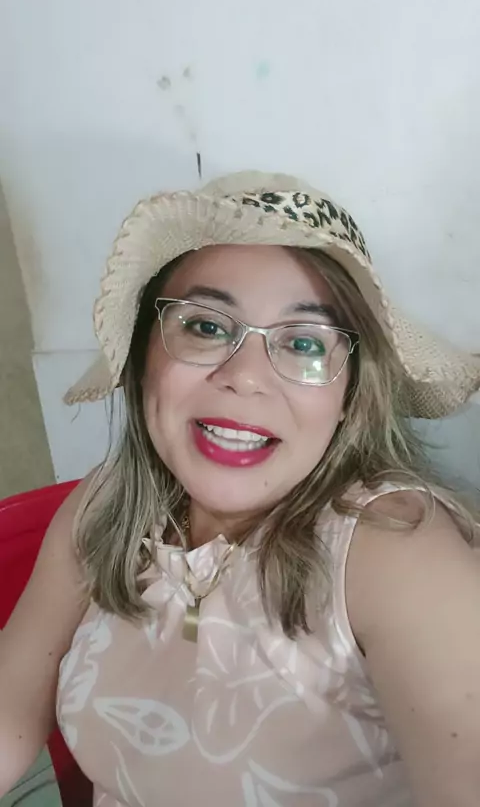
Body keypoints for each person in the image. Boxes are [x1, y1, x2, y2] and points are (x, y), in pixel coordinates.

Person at [1, 171, 479, 807]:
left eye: (304, 342)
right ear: (144, 358)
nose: (246, 376)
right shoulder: (102, 507)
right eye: (206, 327)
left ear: (348, 397)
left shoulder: (396, 549)